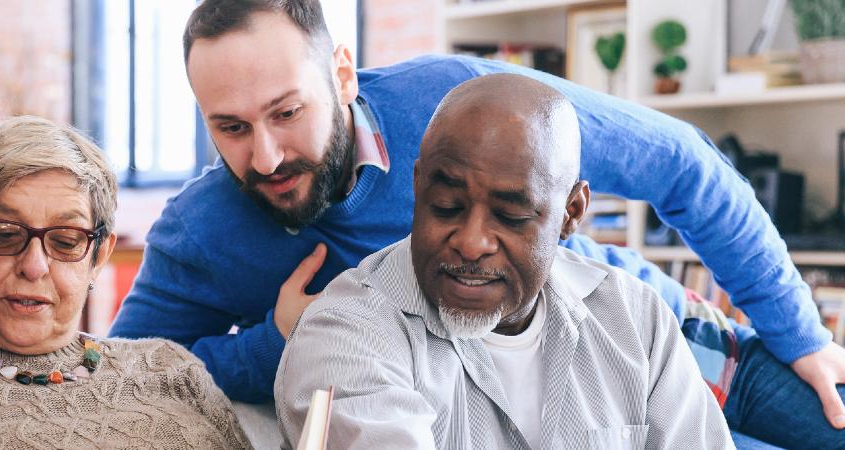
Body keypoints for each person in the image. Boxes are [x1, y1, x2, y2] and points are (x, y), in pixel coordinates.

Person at [104, 0, 845, 447]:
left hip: (663, 334)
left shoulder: (458, 103)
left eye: (287, 112)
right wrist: (275, 341)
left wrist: (802, 337)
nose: (268, 154)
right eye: (230, 127)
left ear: (341, 75)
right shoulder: (205, 229)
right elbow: (129, 374)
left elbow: (682, 164)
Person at [276, 73, 732, 449]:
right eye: (446, 206)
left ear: (571, 213)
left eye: (511, 216)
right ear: (417, 188)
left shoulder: (636, 318)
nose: (472, 243)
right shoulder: (344, 334)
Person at [0, 116, 249, 449]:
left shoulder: (172, 367)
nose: (34, 266)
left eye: (66, 240)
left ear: (99, 256)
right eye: (6, 234)